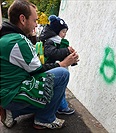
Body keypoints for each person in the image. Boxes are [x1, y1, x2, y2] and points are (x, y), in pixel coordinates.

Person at [0, 0, 79, 130]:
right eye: (34, 20)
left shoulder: (6, 37)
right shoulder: (17, 41)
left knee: (48, 93)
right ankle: (44, 119)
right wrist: (63, 63)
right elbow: (38, 70)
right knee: (62, 74)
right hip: (12, 94)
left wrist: (31, 36)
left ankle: (12, 112)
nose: (36, 25)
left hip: (7, 93)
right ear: (22, 19)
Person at [39, 15, 78, 115]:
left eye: (66, 32)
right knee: (59, 90)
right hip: (52, 68)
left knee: (59, 90)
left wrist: (72, 59)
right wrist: (66, 50)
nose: (65, 34)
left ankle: (60, 106)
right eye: (63, 32)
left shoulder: (57, 42)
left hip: (56, 66)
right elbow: (52, 53)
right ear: (56, 31)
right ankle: (62, 107)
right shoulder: (50, 41)